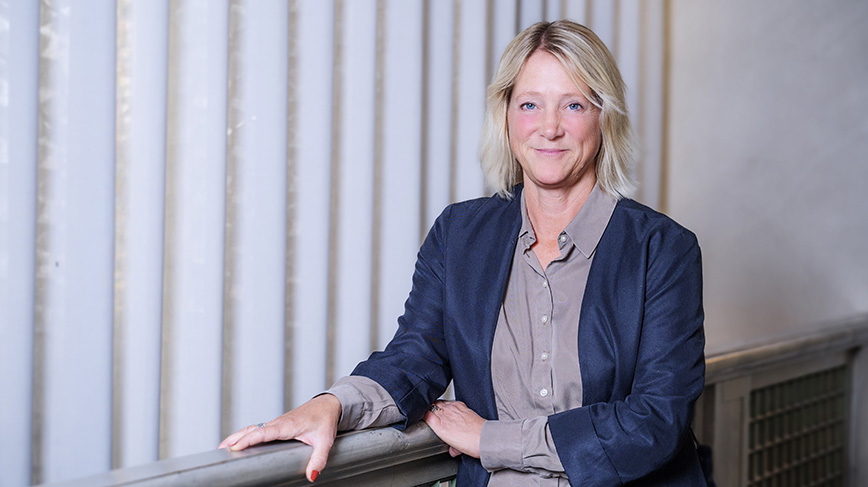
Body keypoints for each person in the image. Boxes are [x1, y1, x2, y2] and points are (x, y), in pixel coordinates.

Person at [220, 19, 707, 486]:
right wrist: (331, 405)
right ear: (506, 115)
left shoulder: (663, 251)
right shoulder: (460, 235)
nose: (550, 128)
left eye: (574, 105)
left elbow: (655, 421)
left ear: (605, 116)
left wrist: (490, 438)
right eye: (530, 105)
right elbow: (414, 359)